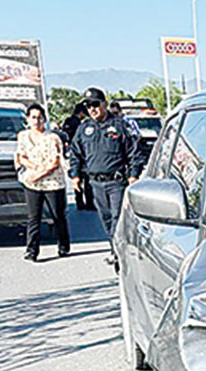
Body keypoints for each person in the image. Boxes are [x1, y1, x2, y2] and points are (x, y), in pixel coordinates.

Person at [69, 87, 144, 264]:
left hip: (116, 182)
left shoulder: (119, 126)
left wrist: (134, 175)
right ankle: (116, 250)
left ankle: (120, 255)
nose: (92, 109)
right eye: (88, 106)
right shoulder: (84, 128)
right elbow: (75, 153)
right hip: (95, 183)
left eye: (95, 104)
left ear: (104, 104)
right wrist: (75, 175)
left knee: (118, 218)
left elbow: (134, 152)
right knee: (106, 219)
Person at [15, 103, 70, 262]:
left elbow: (55, 162)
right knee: (34, 217)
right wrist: (34, 168)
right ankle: (32, 250)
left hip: (52, 182)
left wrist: (39, 174)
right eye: (33, 117)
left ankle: (63, 245)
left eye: (39, 118)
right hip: (32, 182)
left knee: (57, 215)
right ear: (28, 119)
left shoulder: (53, 138)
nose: (36, 121)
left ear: (44, 119)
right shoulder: (23, 136)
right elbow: (21, 157)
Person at [62, 102, 95, 211]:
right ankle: (89, 203)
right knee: (87, 179)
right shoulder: (81, 124)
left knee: (77, 178)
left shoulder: (68, 121)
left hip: (73, 152)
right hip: (83, 152)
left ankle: (79, 202)